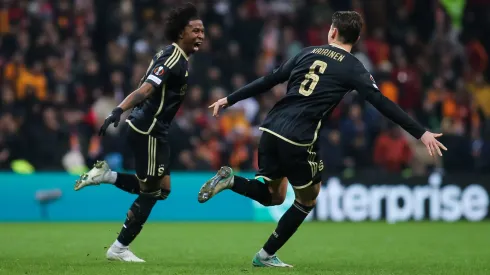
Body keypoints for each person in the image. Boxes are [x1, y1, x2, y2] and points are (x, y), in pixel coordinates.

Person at [197, 11, 447, 268]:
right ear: (357, 38)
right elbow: (382, 103)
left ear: (332, 32)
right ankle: (265, 255)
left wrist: (230, 99)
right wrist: (421, 132)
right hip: (298, 137)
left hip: (270, 129)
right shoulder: (353, 67)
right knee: (308, 199)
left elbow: (269, 80)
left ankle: (230, 181)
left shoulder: (307, 52)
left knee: (274, 196)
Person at [73, 3, 204, 262]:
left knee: (162, 189)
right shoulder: (173, 58)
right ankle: (119, 248)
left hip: (157, 131)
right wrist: (118, 110)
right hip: (148, 130)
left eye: (202, 31)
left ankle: (107, 176)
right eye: (195, 30)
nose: (200, 35)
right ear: (180, 33)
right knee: (151, 192)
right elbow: (146, 89)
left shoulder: (176, 56)